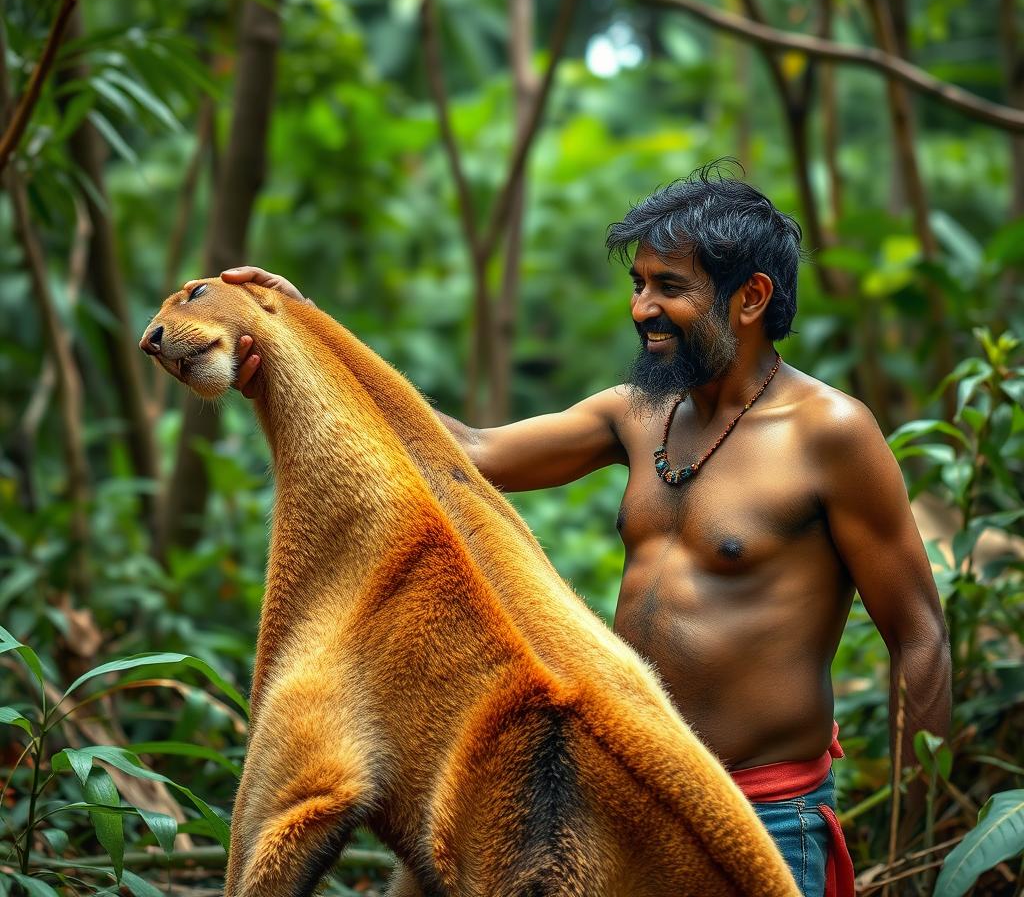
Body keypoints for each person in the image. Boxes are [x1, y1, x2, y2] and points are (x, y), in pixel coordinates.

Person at [208, 164, 951, 897]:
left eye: (670, 287)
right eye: (639, 284)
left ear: (751, 296)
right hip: (621, 805)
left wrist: (922, 829)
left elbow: (918, 635)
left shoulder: (832, 433)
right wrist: (306, 341)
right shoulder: (634, 413)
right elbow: (467, 452)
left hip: (763, 817)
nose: (643, 308)